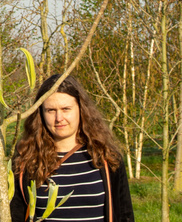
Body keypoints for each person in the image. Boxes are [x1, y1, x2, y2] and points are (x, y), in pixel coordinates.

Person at [10, 74, 134, 222]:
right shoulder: (26, 161)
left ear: (81, 109)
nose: (59, 118)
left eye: (66, 109)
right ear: (41, 113)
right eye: (51, 110)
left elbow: (124, 215)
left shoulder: (107, 158)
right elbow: (16, 214)